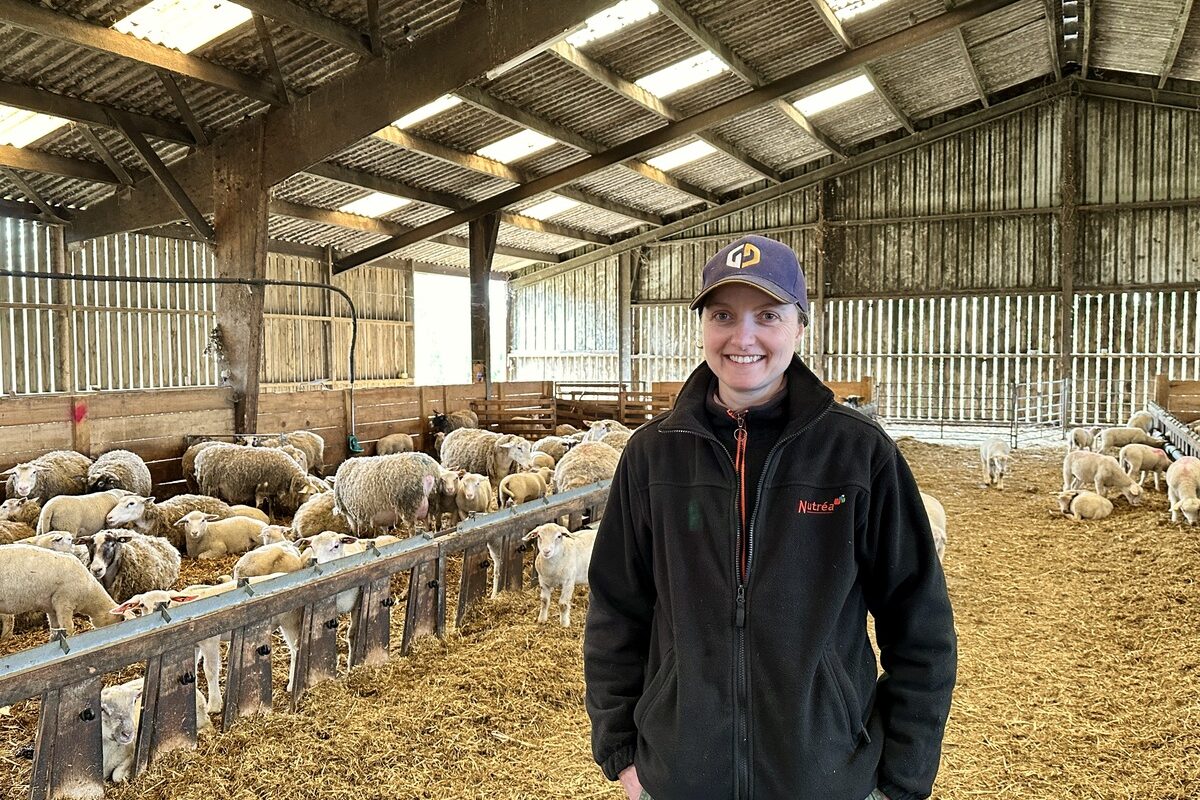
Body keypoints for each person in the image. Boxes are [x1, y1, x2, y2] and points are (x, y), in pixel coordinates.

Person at [583, 234, 956, 800]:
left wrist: (900, 779)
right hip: (681, 776)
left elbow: (920, 624)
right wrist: (624, 755)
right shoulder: (653, 454)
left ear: (799, 326)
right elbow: (616, 608)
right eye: (723, 314)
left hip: (823, 778)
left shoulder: (857, 453)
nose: (744, 336)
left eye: (768, 314)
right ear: (704, 326)